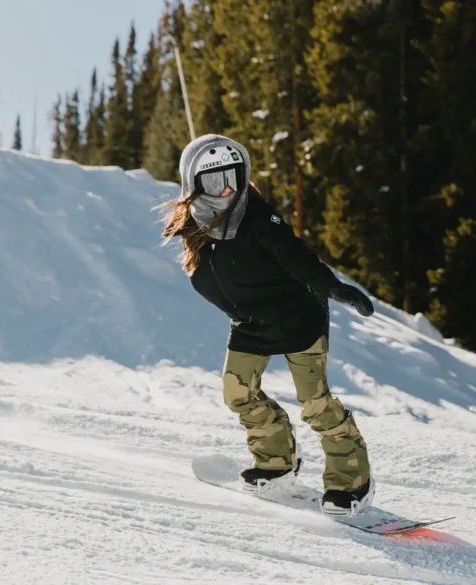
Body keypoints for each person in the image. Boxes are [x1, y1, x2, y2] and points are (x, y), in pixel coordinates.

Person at [159, 134, 376, 516]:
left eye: (233, 178)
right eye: (214, 181)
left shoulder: (260, 220)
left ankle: (352, 481)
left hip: (298, 316)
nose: (226, 189)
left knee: (315, 403)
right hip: (251, 322)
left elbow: (296, 258)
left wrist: (332, 287)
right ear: (193, 187)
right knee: (237, 393)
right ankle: (277, 463)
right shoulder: (197, 232)